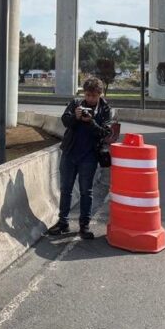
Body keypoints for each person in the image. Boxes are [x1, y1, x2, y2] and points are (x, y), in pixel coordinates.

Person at [47, 76, 114, 240]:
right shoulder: (75, 103)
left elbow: (105, 133)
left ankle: (84, 225)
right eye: (88, 95)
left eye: (94, 96)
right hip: (70, 153)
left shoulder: (106, 109)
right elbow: (65, 121)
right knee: (66, 189)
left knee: (86, 191)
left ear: (100, 95)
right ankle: (63, 222)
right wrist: (75, 117)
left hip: (89, 156)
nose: (90, 99)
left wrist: (90, 121)